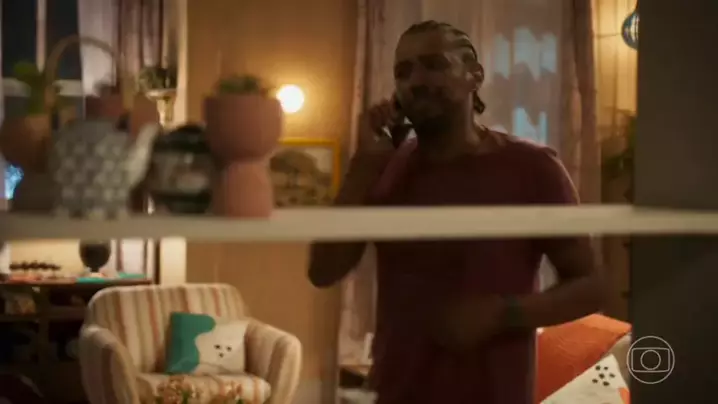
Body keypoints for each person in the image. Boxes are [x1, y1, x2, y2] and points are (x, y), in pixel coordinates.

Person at [308, 20, 606, 404]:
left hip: (493, 394)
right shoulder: (383, 167)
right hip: (397, 391)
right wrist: (363, 166)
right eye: (404, 71)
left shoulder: (532, 168)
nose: (416, 81)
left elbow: (591, 287)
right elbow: (323, 270)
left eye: (434, 64)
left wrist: (504, 313)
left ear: (474, 76)